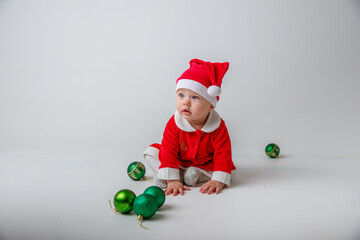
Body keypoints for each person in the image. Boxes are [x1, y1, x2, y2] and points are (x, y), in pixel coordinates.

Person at [144, 59, 236, 196]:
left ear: (211, 106)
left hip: (205, 163)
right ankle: (174, 175)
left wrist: (218, 180)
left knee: (223, 167)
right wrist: (172, 179)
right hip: (179, 160)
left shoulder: (218, 126)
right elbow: (169, 149)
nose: (185, 102)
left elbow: (223, 153)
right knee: (151, 152)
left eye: (194, 97)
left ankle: (198, 175)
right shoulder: (174, 122)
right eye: (181, 95)